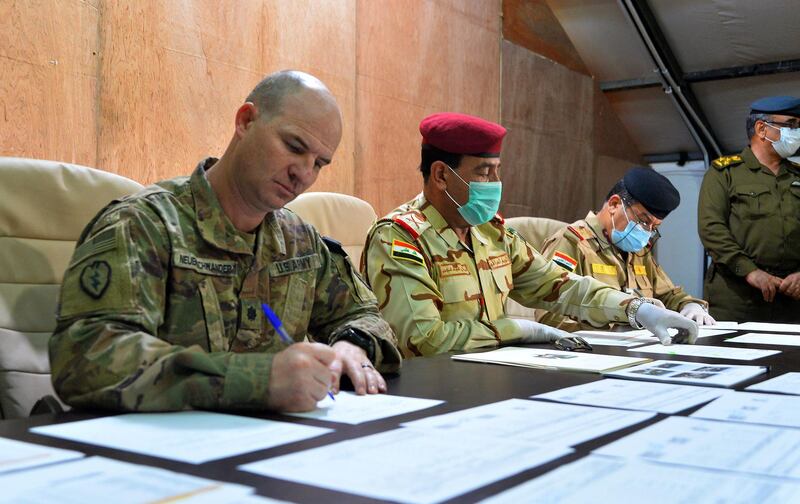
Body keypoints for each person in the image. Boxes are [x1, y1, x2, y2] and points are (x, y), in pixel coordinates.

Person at [49, 70, 401, 413]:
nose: (304, 174)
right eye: (294, 147)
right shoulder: (145, 224)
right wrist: (256, 381)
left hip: (270, 447)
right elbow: (86, 357)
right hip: (161, 450)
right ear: (245, 121)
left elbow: (364, 313)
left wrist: (351, 345)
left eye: (319, 163)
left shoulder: (300, 241)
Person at [361, 112, 697, 357]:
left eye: (497, 172)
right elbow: (424, 340)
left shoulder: (492, 234)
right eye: (483, 172)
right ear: (440, 176)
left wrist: (637, 310)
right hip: (432, 391)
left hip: (492, 381)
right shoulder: (400, 238)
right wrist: (518, 330)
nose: (494, 185)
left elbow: (561, 286)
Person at [537, 167, 713, 331]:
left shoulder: (638, 250)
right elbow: (548, 315)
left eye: (654, 227)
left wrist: (690, 306)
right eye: (644, 221)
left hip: (637, 350)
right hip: (591, 354)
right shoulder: (571, 242)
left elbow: (667, 294)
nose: (646, 232)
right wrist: (615, 329)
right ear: (614, 204)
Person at [699, 96, 800, 322]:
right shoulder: (725, 173)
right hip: (737, 298)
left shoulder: (797, 175)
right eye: (791, 124)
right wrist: (750, 272)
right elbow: (712, 229)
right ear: (762, 129)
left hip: (792, 299)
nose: (797, 131)